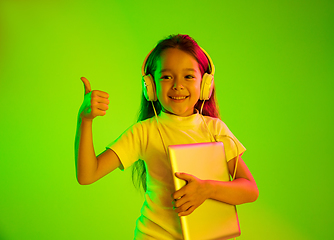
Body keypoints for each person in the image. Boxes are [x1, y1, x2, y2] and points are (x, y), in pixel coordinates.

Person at [75, 34, 259, 239]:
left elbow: (250, 189)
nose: (178, 85)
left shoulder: (215, 130)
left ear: (205, 84)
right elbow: (88, 175)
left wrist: (207, 190)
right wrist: (85, 120)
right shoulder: (144, 132)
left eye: (188, 76)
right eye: (166, 77)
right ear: (150, 86)